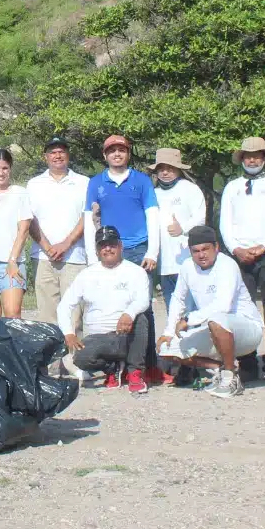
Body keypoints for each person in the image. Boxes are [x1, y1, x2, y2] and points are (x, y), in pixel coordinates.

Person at [84, 135, 162, 379]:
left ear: (128, 153)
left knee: (143, 308)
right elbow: (89, 219)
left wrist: (152, 251)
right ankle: (116, 367)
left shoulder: (141, 181)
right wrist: (91, 255)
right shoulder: (95, 183)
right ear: (104, 155)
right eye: (112, 151)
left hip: (139, 248)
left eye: (121, 150)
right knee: (111, 305)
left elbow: (153, 214)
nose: (116, 154)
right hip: (109, 250)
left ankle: (148, 366)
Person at [218, 136, 265, 386]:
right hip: (240, 255)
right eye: (248, 155)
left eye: (257, 155)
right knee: (241, 310)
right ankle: (248, 363)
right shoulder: (233, 186)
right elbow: (225, 223)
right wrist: (235, 248)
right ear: (241, 159)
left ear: (264, 158)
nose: (252, 159)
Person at [157, 225, 264, 398]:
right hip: (214, 330)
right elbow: (178, 298)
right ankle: (220, 370)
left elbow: (224, 306)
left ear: (216, 247)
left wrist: (189, 319)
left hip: (247, 330)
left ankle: (230, 378)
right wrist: (169, 331)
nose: (201, 255)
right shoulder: (187, 267)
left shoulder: (228, 265)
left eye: (206, 249)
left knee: (217, 319)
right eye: (196, 251)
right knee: (166, 349)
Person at [57, 226, 153, 395]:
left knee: (141, 318)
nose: (107, 248)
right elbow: (65, 305)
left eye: (112, 244)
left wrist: (129, 313)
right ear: (96, 250)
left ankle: (135, 373)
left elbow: (144, 300)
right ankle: (112, 369)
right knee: (81, 358)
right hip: (99, 338)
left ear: (120, 246)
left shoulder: (136, 272)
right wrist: (68, 333)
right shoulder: (86, 275)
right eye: (102, 245)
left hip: (125, 335)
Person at [28, 136, 89, 364]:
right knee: (47, 314)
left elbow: (86, 218)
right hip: (43, 258)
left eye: (61, 151)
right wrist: (47, 246)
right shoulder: (34, 184)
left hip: (75, 256)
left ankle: (75, 363)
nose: (57, 155)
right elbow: (29, 219)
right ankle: (52, 365)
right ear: (45, 157)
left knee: (74, 313)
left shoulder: (83, 182)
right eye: (52, 152)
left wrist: (66, 244)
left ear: (68, 155)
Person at [0, 147, 33, 322]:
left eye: (5, 168)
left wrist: (12, 260)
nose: (1, 173)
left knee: (12, 315)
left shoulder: (20, 193)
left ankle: (15, 350)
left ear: (10, 168)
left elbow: (24, 229)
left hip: (12, 263)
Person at [150, 148, 205, 309]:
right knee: (172, 309)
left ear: (178, 169)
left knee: (191, 309)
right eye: (161, 168)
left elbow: (200, 217)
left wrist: (183, 228)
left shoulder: (189, 189)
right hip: (164, 263)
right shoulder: (154, 193)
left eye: (170, 168)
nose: (165, 172)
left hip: (187, 260)